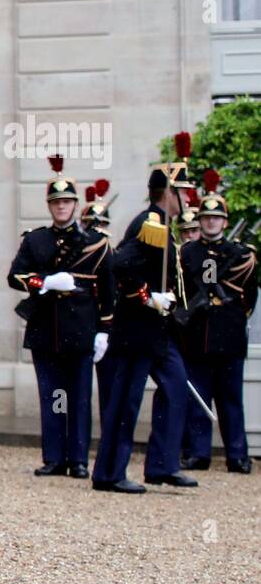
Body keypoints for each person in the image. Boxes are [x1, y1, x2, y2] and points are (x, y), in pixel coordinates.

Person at [91, 140, 198, 493]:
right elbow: (118, 265)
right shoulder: (150, 223)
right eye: (183, 191)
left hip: (160, 330)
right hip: (137, 327)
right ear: (168, 192)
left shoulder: (165, 225)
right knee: (125, 399)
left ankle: (162, 465)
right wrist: (146, 296)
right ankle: (109, 473)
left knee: (176, 388)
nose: (189, 198)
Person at [8, 155, 114, 479]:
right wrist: (43, 282)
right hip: (46, 329)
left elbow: (108, 289)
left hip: (81, 330)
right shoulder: (36, 239)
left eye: (67, 202)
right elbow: (15, 277)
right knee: (54, 396)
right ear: (50, 206)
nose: (62, 207)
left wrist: (104, 330)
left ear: (74, 204)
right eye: (57, 202)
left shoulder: (96, 244)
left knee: (80, 398)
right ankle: (54, 456)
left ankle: (79, 459)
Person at [180, 171, 258, 473]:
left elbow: (248, 298)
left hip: (228, 336)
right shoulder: (187, 253)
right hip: (197, 336)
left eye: (216, 218)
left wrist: (232, 317)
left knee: (230, 401)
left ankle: (237, 455)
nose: (211, 222)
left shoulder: (240, 255)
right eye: (206, 218)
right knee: (199, 400)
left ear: (225, 222)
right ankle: (199, 453)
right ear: (199, 221)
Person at [81, 181, 118, 421]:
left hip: (108, 328)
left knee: (110, 391)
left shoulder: (115, 255)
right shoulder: (76, 255)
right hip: (80, 325)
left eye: (103, 225)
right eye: (93, 225)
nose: (99, 230)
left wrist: (106, 328)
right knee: (79, 393)